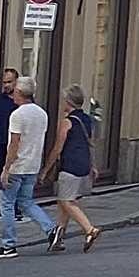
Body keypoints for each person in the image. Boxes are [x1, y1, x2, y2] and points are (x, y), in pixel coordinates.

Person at [0, 83, 59, 258]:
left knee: (7, 204)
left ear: (19, 93)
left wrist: (6, 169)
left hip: (17, 165)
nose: (13, 94)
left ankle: (9, 245)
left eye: (15, 91)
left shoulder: (17, 115)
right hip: (32, 164)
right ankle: (51, 229)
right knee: (26, 201)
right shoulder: (42, 113)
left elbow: (14, 143)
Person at [43, 86, 102, 250]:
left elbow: (57, 148)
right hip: (83, 163)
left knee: (66, 201)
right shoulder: (87, 120)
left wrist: (45, 170)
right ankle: (59, 239)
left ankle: (89, 229)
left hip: (70, 165)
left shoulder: (67, 122)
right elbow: (91, 144)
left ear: (68, 101)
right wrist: (93, 165)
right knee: (63, 202)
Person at [0, 68, 21, 199]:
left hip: (18, 145)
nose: (6, 85)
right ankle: (1, 206)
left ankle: (15, 206)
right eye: (4, 82)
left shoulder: (22, 101)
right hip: (0, 144)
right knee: (1, 175)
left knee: (15, 176)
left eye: (9, 82)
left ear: (16, 81)